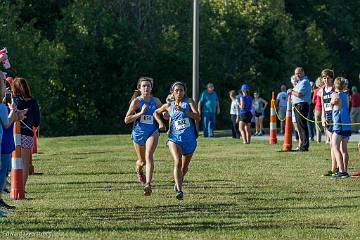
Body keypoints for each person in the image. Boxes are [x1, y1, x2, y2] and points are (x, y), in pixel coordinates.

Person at [153, 82, 200, 200]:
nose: (179, 92)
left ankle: (178, 181)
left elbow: (198, 117)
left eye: (181, 90)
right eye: (176, 90)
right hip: (174, 139)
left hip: (190, 140)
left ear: (184, 92)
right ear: (172, 92)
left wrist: (184, 111)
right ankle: (179, 190)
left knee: (184, 168)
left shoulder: (189, 102)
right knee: (177, 162)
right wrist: (160, 123)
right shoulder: (169, 105)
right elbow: (155, 113)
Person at [124, 77, 162, 196]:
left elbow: (163, 111)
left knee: (149, 155)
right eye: (144, 86)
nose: (146, 88)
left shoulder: (155, 101)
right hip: (138, 134)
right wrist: (140, 113)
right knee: (142, 161)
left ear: (151, 88)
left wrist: (165, 114)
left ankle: (148, 184)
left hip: (153, 132)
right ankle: (139, 169)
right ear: (139, 88)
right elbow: (126, 120)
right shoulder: (137, 102)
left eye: (148, 86)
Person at [0, 74, 26, 210]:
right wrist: (12, 111)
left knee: (5, 171)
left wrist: (17, 114)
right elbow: (6, 123)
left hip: (7, 141)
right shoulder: (2, 107)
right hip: (3, 143)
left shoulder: (4, 106)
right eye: (5, 87)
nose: (7, 91)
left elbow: (10, 121)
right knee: (2, 172)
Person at [11, 78, 40, 191]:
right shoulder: (33, 101)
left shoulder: (13, 101)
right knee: (24, 163)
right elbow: (37, 121)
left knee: (13, 163)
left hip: (13, 134)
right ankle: (21, 188)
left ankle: (14, 187)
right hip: (27, 134)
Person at [330, 77, 351, 178]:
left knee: (335, 146)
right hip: (347, 124)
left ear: (335, 85)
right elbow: (346, 107)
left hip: (339, 123)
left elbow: (336, 100)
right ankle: (345, 171)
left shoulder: (334, 94)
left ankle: (341, 170)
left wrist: (332, 103)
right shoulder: (346, 95)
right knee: (344, 149)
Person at [318, 69, 337, 176]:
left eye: (328, 78)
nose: (325, 80)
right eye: (324, 78)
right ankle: (333, 168)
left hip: (335, 118)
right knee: (331, 145)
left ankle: (338, 168)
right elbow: (323, 106)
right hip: (327, 118)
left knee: (335, 145)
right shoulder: (322, 91)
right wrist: (323, 117)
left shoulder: (334, 89)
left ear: (331, 78)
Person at [288, 67, 311, 151]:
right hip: (297, 105)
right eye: (296, 73)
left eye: (299, 73)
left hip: (302, 105)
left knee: (302, 126)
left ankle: (304, 146)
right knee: (300, 126)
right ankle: (302, 145)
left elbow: (299, 94)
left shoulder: (304, 82)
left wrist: (291, 91)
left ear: (303, 72)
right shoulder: (299, 82)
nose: (297, 75)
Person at [312, 77, 323, 143]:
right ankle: (328, 139)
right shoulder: (325, 89)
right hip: (325, 108)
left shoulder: (316, 91)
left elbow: (313, 101)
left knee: (317, 124)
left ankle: (318, 140)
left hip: (317, 108)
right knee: (325, 123)